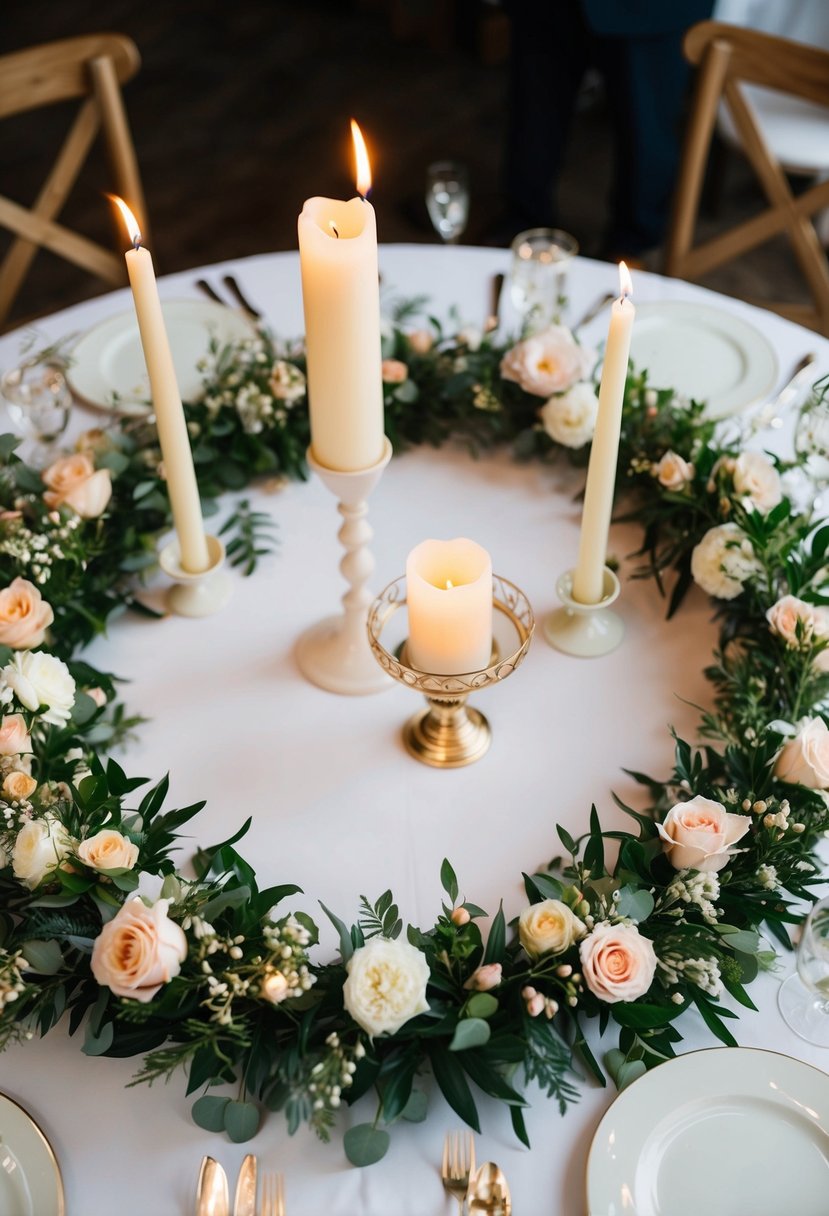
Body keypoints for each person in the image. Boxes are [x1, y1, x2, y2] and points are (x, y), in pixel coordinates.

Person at [499, 0, 715, 260]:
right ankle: (523, 223)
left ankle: (633, 244)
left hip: (653, 10)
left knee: (646, 131)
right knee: (532, 115)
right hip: (545, 8)